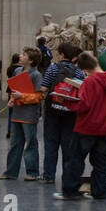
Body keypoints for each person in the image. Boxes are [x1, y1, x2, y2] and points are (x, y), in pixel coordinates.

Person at [57, 52, 106, 201]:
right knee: (102, 162)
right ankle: (100, 191)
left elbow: (84, 105)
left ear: (85, 70)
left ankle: (70, 190)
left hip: (87, 126)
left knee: (75, 159)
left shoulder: (89, 82)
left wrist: (67, 102)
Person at [39, 41, 84, 186]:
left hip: (53, 110)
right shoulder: (78, 71)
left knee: (51, 143)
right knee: (68, 145)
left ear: (62, 54)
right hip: (70, 112)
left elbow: (44, 88)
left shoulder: (53, 68)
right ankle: (67, 175)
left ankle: (49, 175)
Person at [0, 48, 43, 181]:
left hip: (29, 114)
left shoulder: (36, 75)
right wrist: (12, 99)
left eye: (24, 55)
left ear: (31, 60)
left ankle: (32, 172)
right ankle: (11, 172)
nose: (20, 56)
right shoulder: (17, 71)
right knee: (15, 144)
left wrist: (21, 96)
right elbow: (15, 89)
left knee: (30, 144)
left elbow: (38, 96)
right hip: (17, 112)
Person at [4, 52, 23, 138]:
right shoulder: (21, 69)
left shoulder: (9, 68)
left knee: (11, 111)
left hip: (11, 90)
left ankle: (9, 130)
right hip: (19, 90)